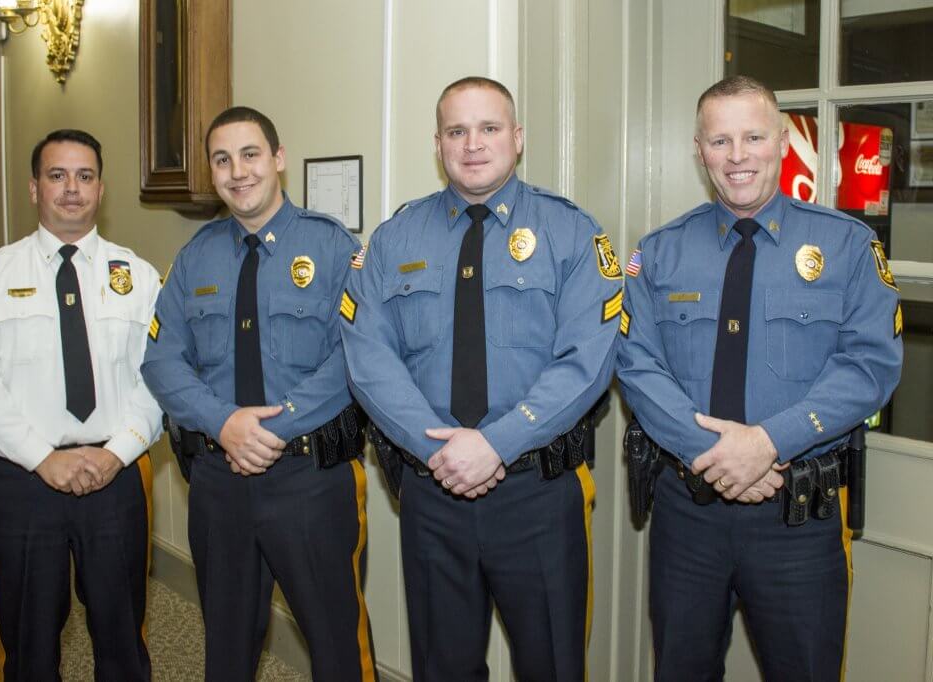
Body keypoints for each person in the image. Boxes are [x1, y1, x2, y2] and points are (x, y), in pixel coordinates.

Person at [617, 75, 903, 680]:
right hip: (687, 515)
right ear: (699, 151)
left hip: (797, 517)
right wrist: (716, 454)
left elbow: (870, 366)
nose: (738, 155)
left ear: (782, 140)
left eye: (753, 136)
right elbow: (637, 364)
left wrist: (766, 444)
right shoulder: (660, 253)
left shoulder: (847, 246)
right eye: (720, 141)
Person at [340, 76, 621, 681]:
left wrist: (497, 442)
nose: (473, 144)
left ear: (517, 139)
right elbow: (368, 356)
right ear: (437, 143)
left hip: (538, 493)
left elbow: (588, 358)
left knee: (551, 664)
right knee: (442, 667)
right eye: (456, 131)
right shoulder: (394, 240)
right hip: (431, 490)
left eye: (489, 128)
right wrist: (435, 447)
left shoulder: (571, 232)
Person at [140, 106, 376, 681]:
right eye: (222, 159)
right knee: (226, 644)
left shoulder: (332, 248)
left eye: (250, 154)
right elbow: (162, 360)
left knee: (335, 643)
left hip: (310, 481)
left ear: (278, 160)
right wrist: (223, 423)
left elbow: (356, 355)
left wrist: (276, 425)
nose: (237, 171)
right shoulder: (194, 258)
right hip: (220, 484)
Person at [0, 129, 162, 681]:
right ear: (33, 188)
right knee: (27, 642)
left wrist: (117, 453)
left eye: (85, 176)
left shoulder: (137, 278)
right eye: (57, 176)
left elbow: (160, 377)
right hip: (23, 481)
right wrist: (43, 457)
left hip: (115, 477)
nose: (72, 189)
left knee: (123, 637)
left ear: (102, 189)